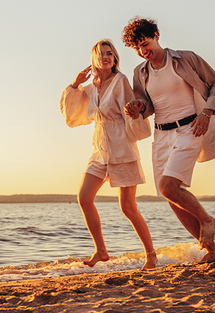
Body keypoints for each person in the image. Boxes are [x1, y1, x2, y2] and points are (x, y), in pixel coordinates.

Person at [121, 16, 215, 264]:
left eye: (145, 43)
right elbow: (147, 105)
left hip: (191, 128)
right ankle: (213, 252)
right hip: (161, 135)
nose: (142, 51)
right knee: (171, 197)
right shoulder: (140, 72)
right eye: (136, 48)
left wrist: (206, 113)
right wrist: (137, 107)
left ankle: (207, 219)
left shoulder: (185, 58)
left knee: (169, 187)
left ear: (156, 35)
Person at [61, 39, 157, 270]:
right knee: (84, 198)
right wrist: (75, 84)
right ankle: (101, 251)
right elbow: (72, 111)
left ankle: (151, 256)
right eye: (102, 54)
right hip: (100, 149)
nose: (106, 57)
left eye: (110, 53)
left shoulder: (121, 80)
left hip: (121, 146)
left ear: (114, 58)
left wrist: (134, 110)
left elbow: (132, 108)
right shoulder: (91, 87)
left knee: (128, 208)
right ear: (94, 58)